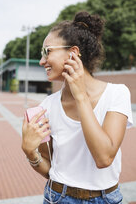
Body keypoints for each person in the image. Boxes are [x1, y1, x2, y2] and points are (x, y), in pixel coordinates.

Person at [22, 11, 133, 204]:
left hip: (106, 199)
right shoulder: (46, 106)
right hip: (57, 197)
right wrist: (30, 152)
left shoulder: (117, 94)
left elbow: (104, 158)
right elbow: (50, 170)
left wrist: (81, 96)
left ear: (73, 53)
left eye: (47, 51)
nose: (42, 61)